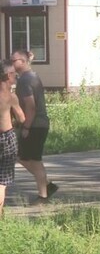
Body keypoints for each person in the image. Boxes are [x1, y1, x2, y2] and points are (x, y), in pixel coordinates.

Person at [12, 49, 57, 202]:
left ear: (23, 62)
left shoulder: (25, 80)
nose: (12, 63)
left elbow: (31, 106)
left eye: (14, 60)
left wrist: (26, 127)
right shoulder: (31, 76)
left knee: (34, 161)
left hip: (35, 125)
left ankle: (43, 196)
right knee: (22, 157)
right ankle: (46, 185)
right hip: (37, 124)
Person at [0, 60, 25, 216]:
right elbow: (22, 118)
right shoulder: (10, 97)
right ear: (8, 75)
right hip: (6, 138)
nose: (16, 76)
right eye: (14, 74)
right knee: (2, 181)